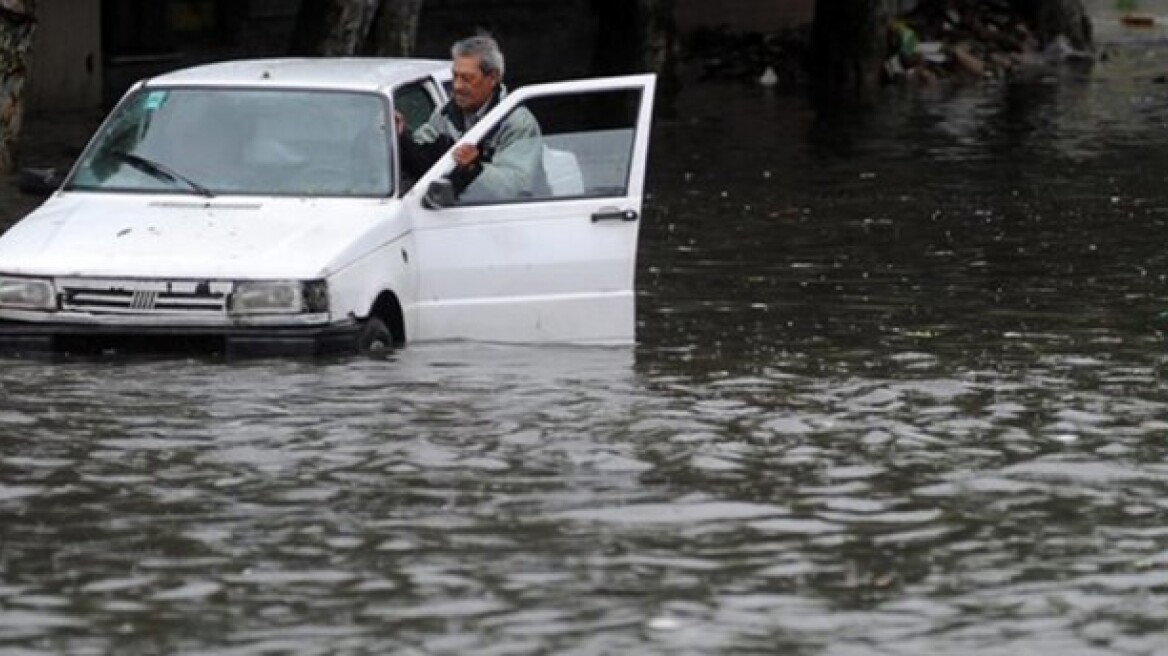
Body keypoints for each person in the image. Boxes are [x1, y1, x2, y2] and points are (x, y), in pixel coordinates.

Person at [396, 35, 544, 202]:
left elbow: (518, 186)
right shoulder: (447, 114)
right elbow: (424, 153)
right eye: (455, 76)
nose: (457, 86)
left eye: (467, 78)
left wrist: (475, 168)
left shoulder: (516, 122)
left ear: (493, 78)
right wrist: (402, 136)